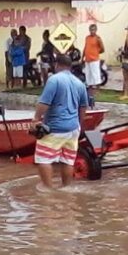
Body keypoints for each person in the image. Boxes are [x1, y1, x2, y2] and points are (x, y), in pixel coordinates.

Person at [32, 54, 89, 189]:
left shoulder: (54, 80)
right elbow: (83, 107)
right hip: (73, 130)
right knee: (67, 161)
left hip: (54, 128)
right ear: (70, 67)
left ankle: (47, 189)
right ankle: (66, 188)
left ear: (57, 65)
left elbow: (44, 103)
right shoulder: (79, 83)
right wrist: (80, 125)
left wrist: (36, 119)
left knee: (43, 159)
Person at [83, 24, 105, 108]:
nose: (92, 31)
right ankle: (90, 90)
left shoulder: (98, 38)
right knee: (88, 77)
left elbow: (102, 49)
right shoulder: (87, 38)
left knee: (96, 76)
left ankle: (98, 91)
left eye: (93, 30)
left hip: (94, 59)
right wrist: (83, 57)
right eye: (91, 30)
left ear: (96, 30)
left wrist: (96, 52)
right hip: (87, 59)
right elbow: (85, 48)